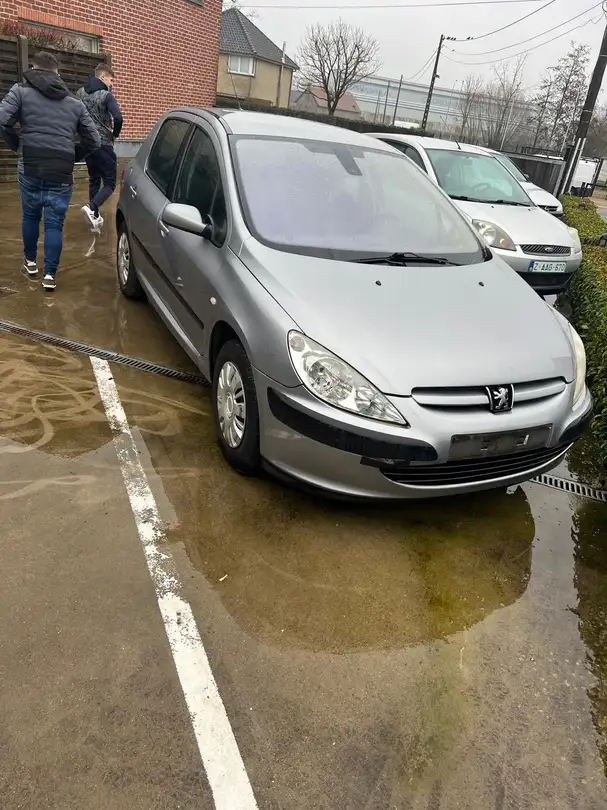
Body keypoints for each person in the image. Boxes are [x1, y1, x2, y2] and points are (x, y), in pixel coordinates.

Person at [0, 51, 100, 291]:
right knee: (54, 224)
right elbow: (94, 140)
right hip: (61, 170)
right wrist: (73, 155)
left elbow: (2, 119)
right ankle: (50, 276)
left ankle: (30, 263)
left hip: (30, 166)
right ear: (58, 73)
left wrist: (17, 145)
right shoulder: (75, 103)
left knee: (30, 215)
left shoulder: (20, 92)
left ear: (33, 68)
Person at [77, 64, 123, 231]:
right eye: (111, 80)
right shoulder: (106, 96)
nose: (111, 84)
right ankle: (92, 207)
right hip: (104, 143)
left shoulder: (80, 93)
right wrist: (115, 134)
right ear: (103, 77)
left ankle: (94, 215)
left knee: (94, 178)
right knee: (110, 183)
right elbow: (118, 117)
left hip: (88, 143)